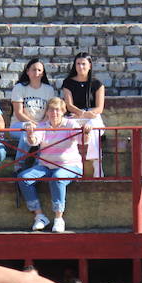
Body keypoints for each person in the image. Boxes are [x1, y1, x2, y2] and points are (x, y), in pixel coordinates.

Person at [17, 97, 85, 233]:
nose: (55, 113)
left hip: (70, 166)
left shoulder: (71, 124)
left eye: (58, 110)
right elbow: (34, 141)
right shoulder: (43, 126)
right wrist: (30, 135)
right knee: (24, 178)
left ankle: (59, 218)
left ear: (63, 111)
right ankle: (39, 216)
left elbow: (81, 139)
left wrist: (86, 131)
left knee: (58, 177)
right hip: (46, 166)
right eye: (52, 110)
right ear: (47, 112)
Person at [61, 52, 106, 176]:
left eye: (84, 64)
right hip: (74, 115)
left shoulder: (97, 84)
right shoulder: (68, 83)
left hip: (91, 116)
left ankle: (97, 166)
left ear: (90, 65)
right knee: (69, 125)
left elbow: (99, 108)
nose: (81, 67)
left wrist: (86, 114)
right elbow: (69, 105)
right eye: (78, 64)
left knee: (94, 129)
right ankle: (71, 164)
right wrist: (81, 113)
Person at [8, 58, 58, 148]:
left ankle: (40, 162)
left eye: (39, 70)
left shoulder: (48, 89)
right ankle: (19, 162)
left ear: (43, 73)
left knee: (43, 135)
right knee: (27, 133)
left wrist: (40, 126)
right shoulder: (19, 88)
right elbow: (19, 113)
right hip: (19, 125)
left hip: (41, 125)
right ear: (28, 72)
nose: (36, 73)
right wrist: (34, 125)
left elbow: (49, 113)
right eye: (34, 70)